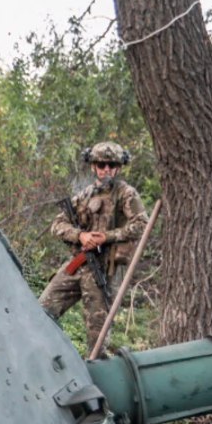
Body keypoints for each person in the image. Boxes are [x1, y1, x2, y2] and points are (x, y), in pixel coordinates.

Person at [39, 141, 148, 356]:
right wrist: (81, 235)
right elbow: (58, 225)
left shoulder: (126, 194)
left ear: (118, 167)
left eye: (111, 165)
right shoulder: (84, 195)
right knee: (41, 311)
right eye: (101, 164)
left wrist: (106, 237)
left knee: (97, 340)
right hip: (78, 265)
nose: (106, 169)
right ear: (93, 166)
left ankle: (96, 378)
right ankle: (49, 357)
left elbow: (141, 224)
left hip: (104, 271)